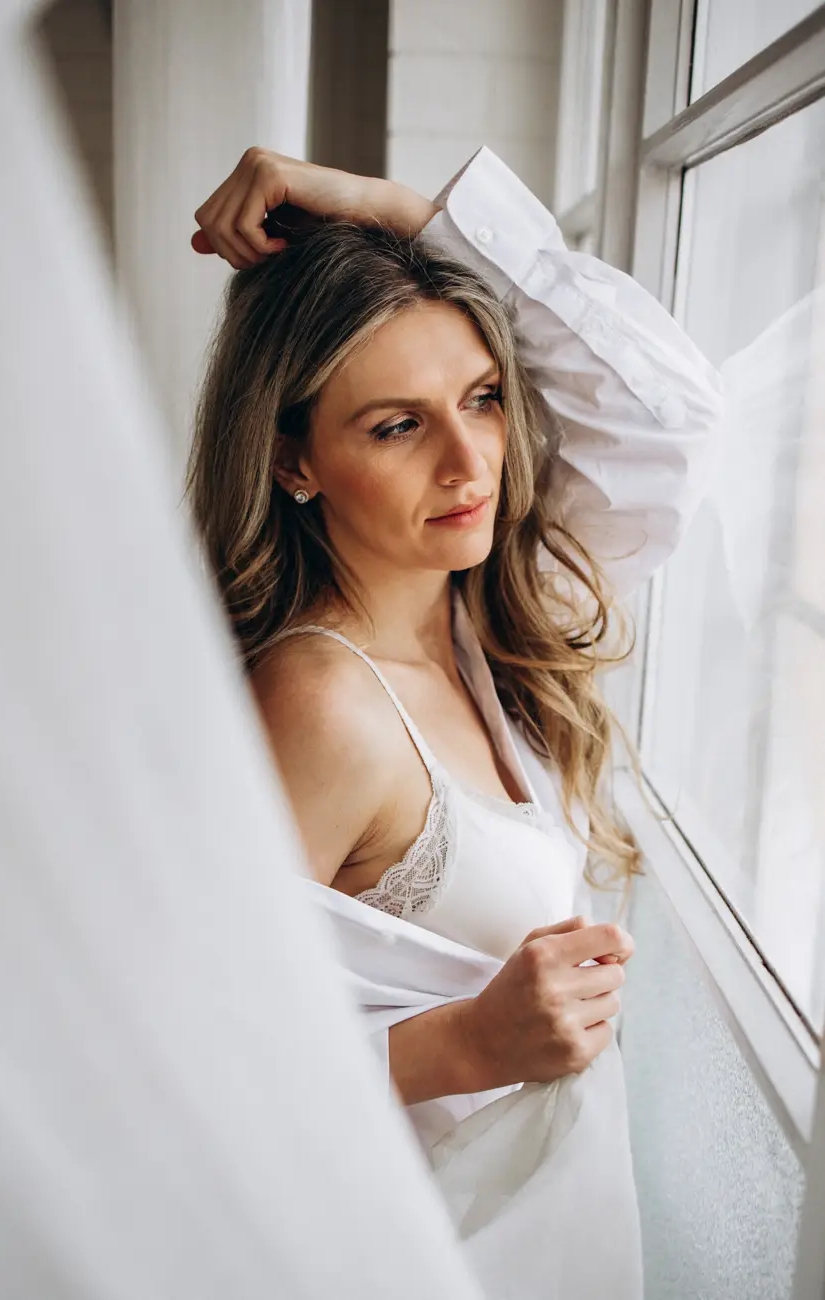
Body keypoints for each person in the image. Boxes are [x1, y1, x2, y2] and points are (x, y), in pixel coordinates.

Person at [186, 143, 724, 1298]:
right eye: (397, 426)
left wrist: (411, 217)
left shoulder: (490, 618)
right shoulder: (323, 704)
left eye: (483, 397)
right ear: (292, 460)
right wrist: (468, 1043)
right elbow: (180, 1066)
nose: (471, 459)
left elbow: (671, 419)